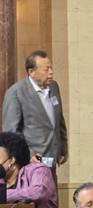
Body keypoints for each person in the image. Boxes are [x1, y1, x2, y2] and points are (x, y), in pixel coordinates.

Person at [2, 51, 68, 185]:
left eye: (51, 68)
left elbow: (59, 119)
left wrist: (63, 148)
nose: (51, 72)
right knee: (37, 195)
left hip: (51, 159)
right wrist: (28, 154)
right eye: (46, 69)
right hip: (31, 164)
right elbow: (10, 132)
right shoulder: (16, 93)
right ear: (31, 72)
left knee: (52, 196)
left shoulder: (54, 87)